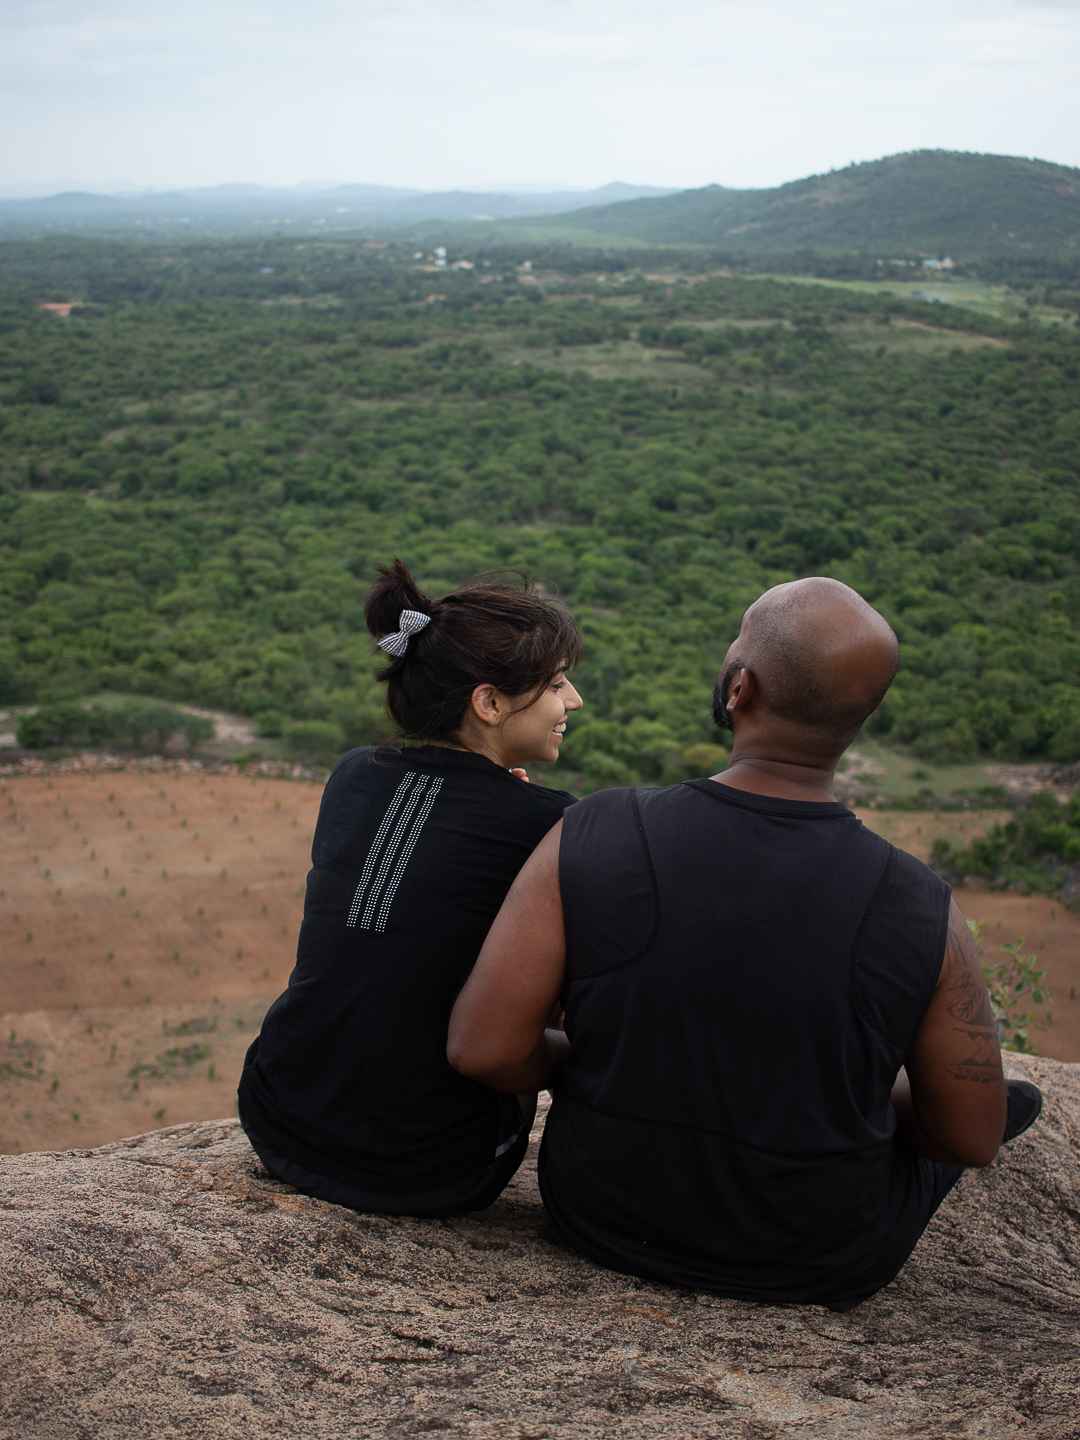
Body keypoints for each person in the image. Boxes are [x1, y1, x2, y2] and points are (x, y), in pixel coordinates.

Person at [447, 577, 1043, 1308]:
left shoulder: (595, 831)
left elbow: (486, 1047)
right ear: (861, 716)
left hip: (601, 1214)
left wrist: (590, 1062)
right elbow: (969, 1139)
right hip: (822, 1256)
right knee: (1000, 1104)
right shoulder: (920, 902)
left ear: (739, 689)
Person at [238, 559, 583, 1216]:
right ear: (488, 703)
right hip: (430, 1167)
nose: (573, 702)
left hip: (280, 1113)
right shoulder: (550, 824)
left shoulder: (353, 774)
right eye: (557, 684)